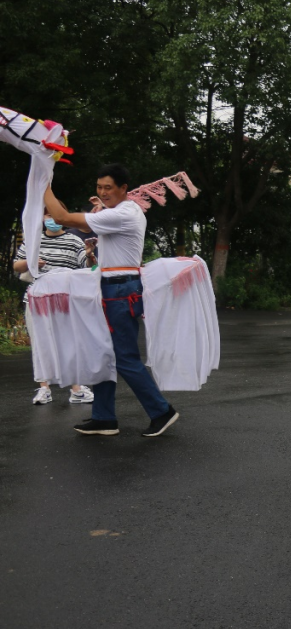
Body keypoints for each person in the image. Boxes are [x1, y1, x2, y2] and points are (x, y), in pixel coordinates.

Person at [42, 163, 178, 437]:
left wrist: (41, 183)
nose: (103, 192)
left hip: (120, 291)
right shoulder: (118, 211)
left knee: (124, 357)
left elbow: (61, 217)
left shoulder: (124, 213)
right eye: (99, 187)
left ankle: (162, 411)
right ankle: (104, 418)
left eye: (108, 188)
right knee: (102, 352)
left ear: (123, 188)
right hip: (111, 288)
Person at [13, 203, 94, 405]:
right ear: (42, 218)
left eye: (54, 215)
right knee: (40, 343)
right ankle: (44, 388)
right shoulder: (33, 240)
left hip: (65, 298)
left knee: (70, 342)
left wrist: (90, 254)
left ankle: (76, 389)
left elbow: (88, 267)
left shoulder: (74, 240)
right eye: (47, 215)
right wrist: (31, 262)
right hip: (37, 299)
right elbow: (17, 265)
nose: (51, 219)